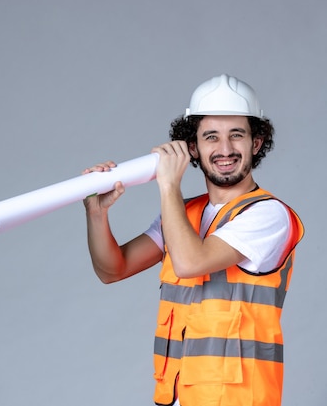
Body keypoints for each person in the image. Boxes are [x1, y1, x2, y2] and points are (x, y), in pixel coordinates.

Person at [82, 74, 304, 406]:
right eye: (211, 137)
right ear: (193, 147)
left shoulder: (269, 215)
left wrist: (169, 185)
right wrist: (96, 213)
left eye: (237, 135)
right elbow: (112, 270)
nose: (225, 149)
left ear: (256, 143)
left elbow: (190, 262)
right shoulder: (183, 214)